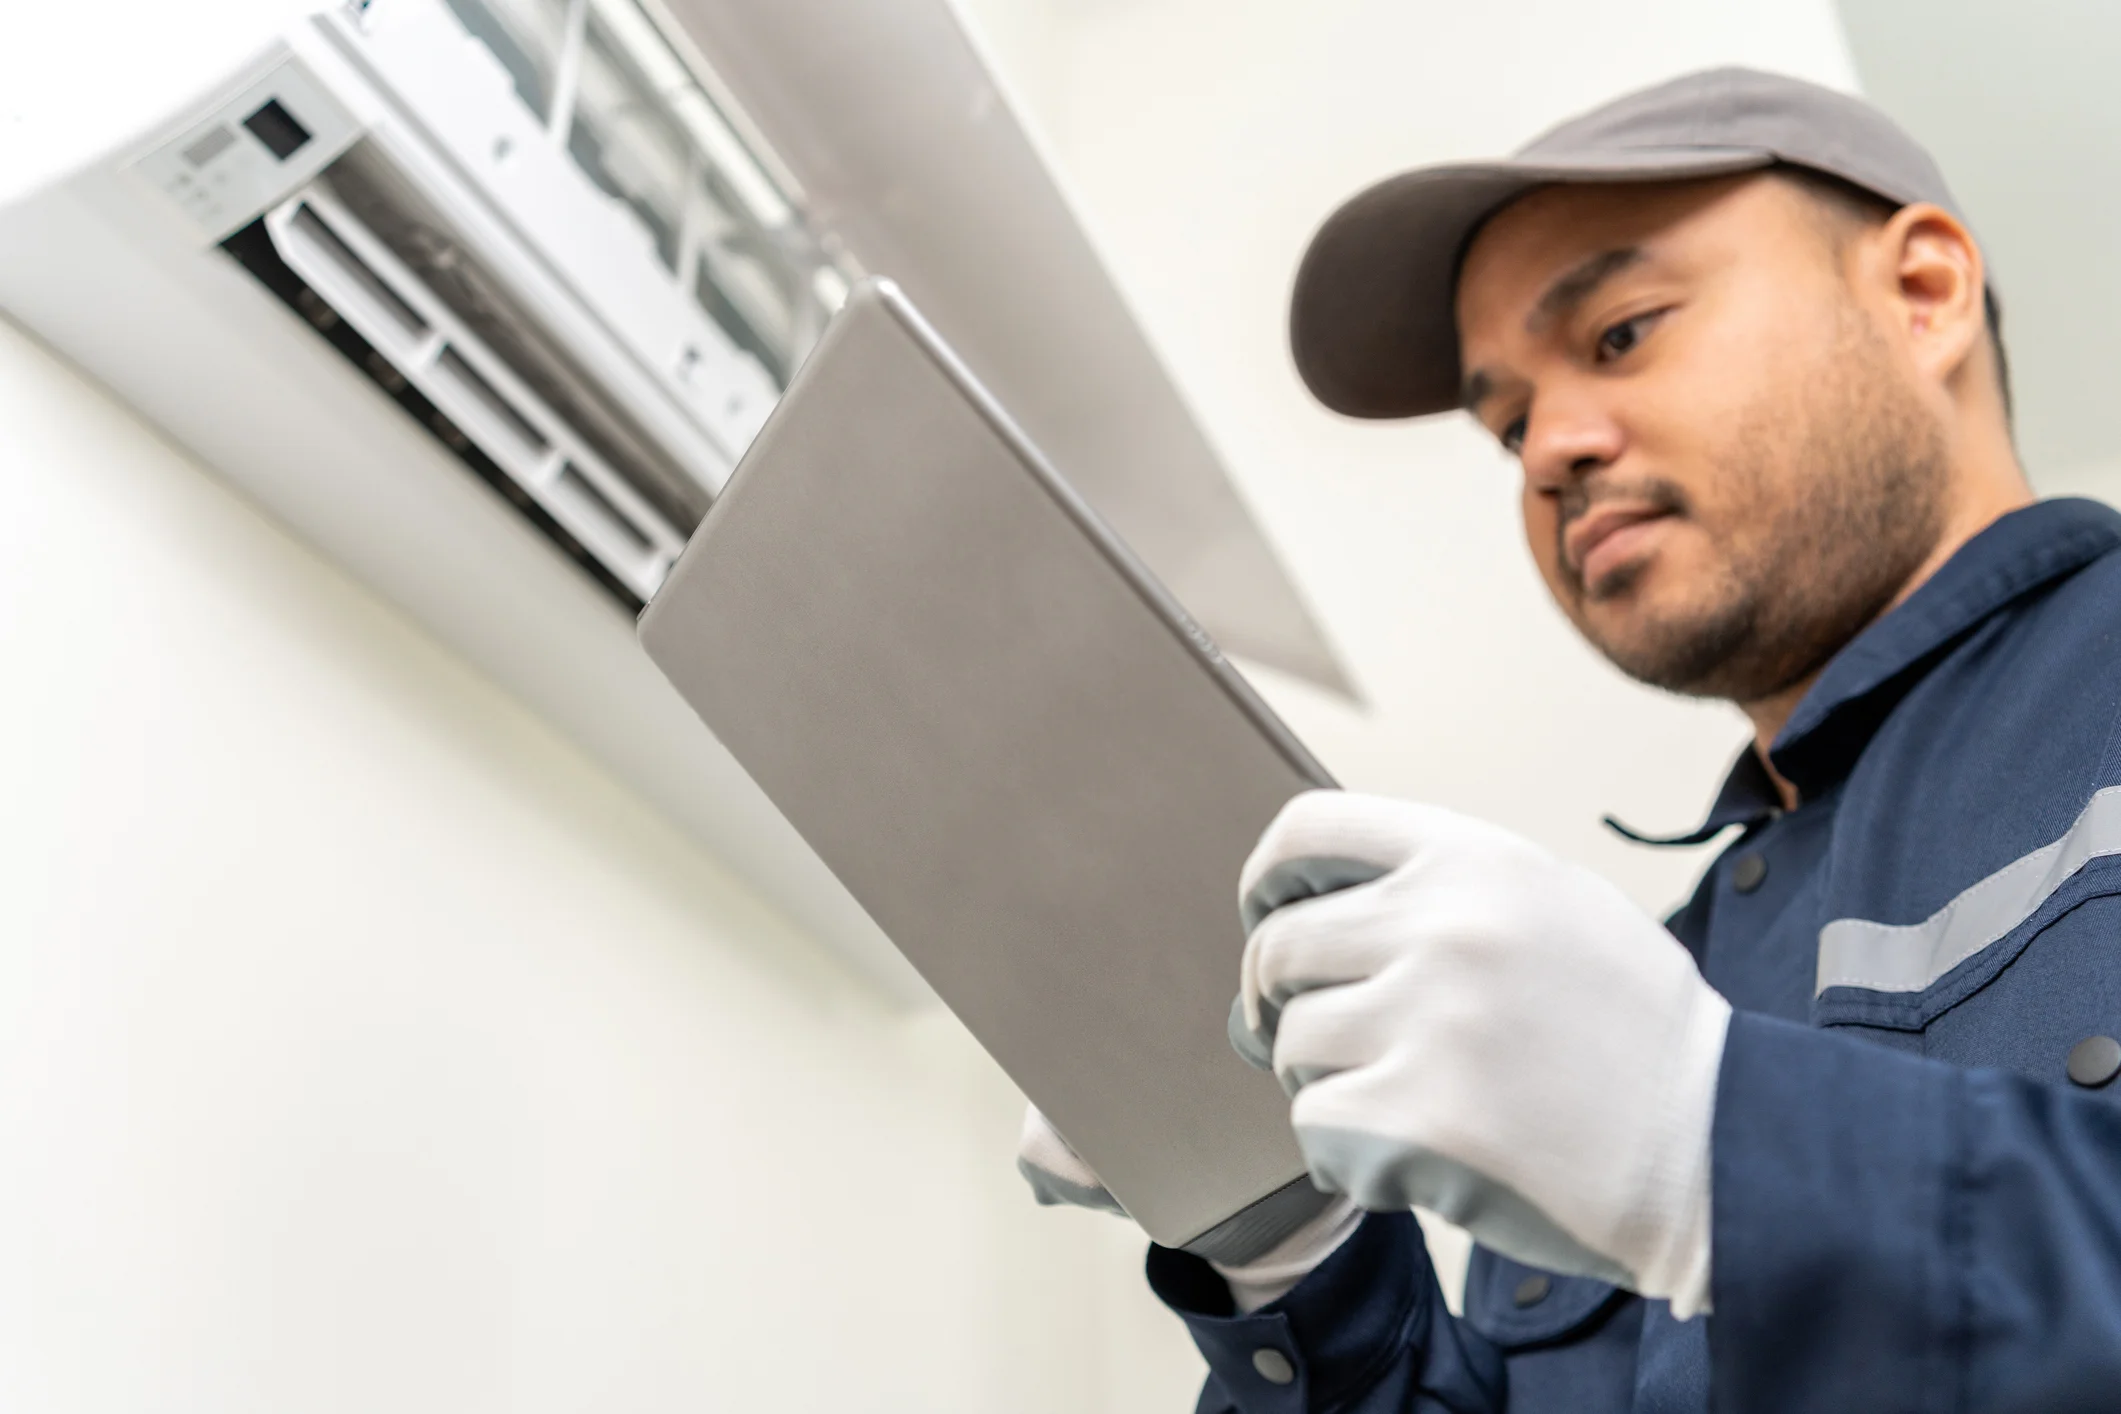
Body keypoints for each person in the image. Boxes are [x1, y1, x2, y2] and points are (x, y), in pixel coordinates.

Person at [1016, 66, 2121, 1411]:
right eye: (1510, 423)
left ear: (1924, 293)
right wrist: (1281, 1246)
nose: (1550, 451)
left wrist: (1719, 1143)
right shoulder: (1634, 989)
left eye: (1619, 334)